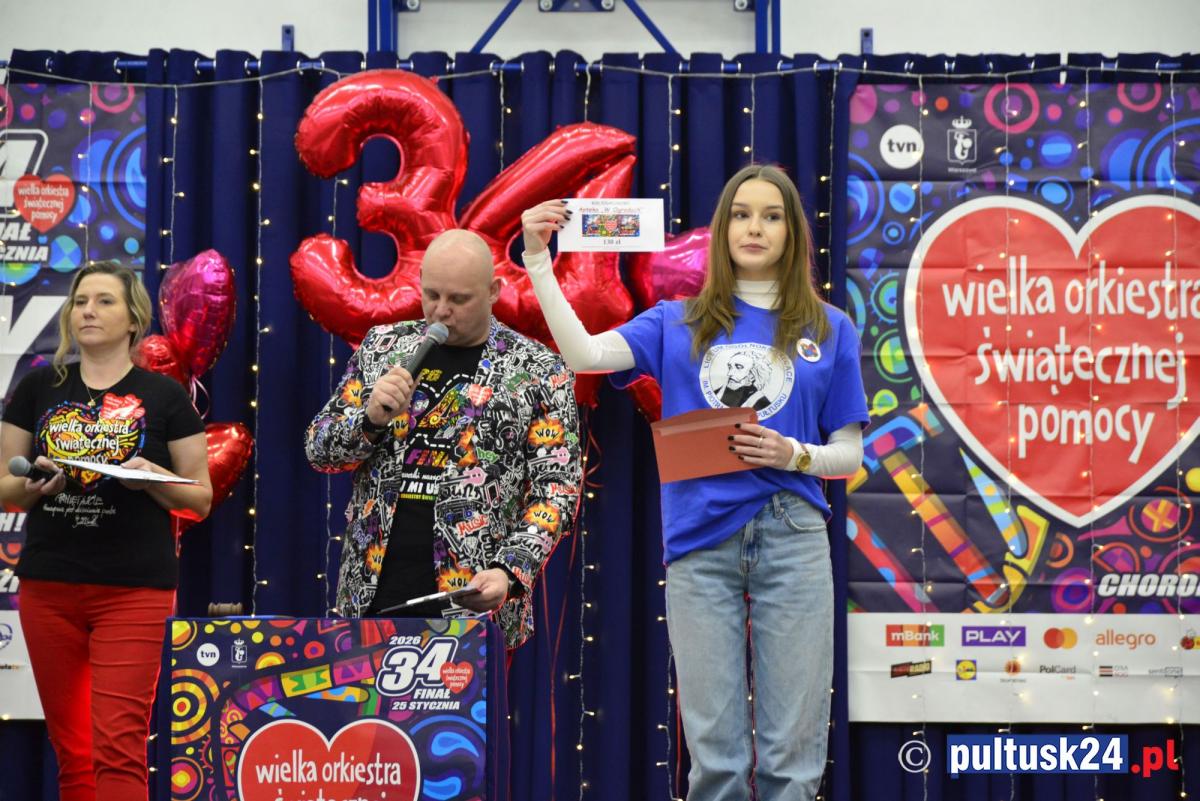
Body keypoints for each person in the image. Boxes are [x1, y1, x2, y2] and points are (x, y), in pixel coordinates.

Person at [521, 165, 868, 801]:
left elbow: (848, 455)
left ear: (792, 232)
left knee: (794, 758)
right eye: (741, 214)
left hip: (792, 536)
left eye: (771, 215)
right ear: (722, 229)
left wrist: (793, 454)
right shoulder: (675, 321)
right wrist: (538, 261)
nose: (755, 228)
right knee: (715, 761)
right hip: (699, 543)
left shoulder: (829, 327)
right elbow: (583, 355)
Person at [305, 229, 582, 650]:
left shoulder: (539, 369)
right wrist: (369, 420)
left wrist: (509, 570)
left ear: (493, 291)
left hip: (473, 602)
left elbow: (557, 489)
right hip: (371, 594)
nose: (441, 311)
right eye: (431, 295)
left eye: (458, 299)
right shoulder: (383, 347)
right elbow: (319, 451)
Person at [0, 261, 213, 801]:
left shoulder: (165, 397)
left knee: (118, 747)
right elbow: (5, 488)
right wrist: (35, 485)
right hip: (50, 587)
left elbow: (200, 498)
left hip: (133, 591)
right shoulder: (37, 387)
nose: (88, 311)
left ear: (134, 320)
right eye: (80, 301)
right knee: (74, 751)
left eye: (104, 301)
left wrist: (153, 479)